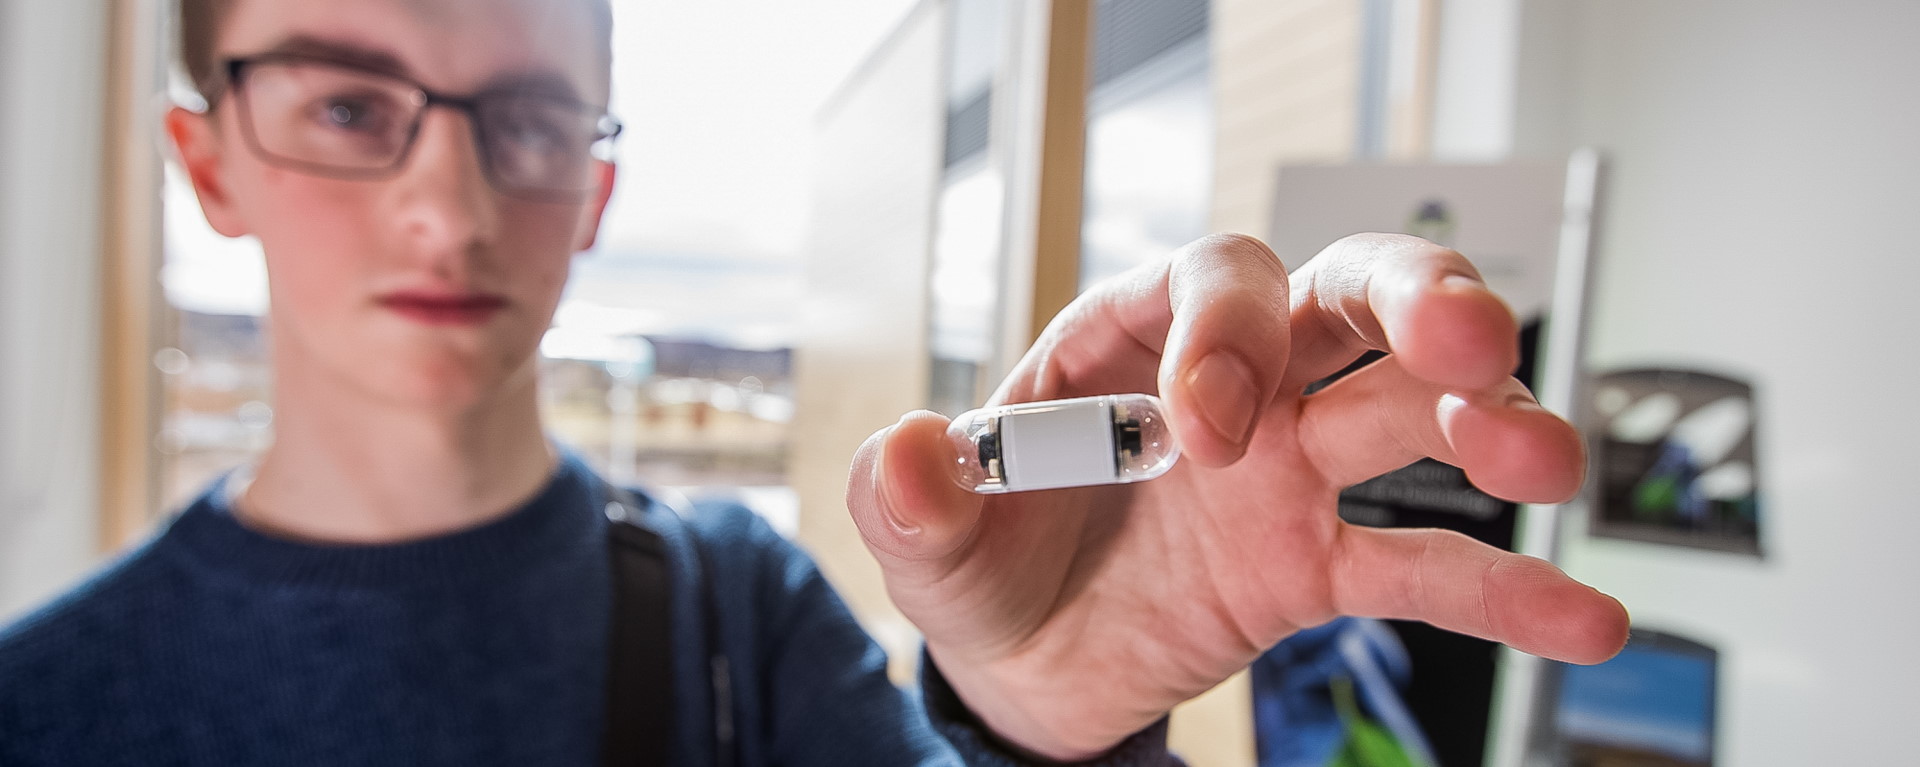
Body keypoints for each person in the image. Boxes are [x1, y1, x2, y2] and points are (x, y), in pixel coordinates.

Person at [0, 0, 1629, 763]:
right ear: (205, 161)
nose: (450, 201)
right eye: (350, 105)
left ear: (597, 188)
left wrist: (1045, 729)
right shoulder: (41, 708)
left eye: (529, 121)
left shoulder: (736, 618)